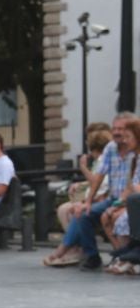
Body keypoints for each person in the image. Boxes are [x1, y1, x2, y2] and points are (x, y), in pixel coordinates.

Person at [46, 115, 136, 269]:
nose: (116, 132)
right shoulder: (111, 148)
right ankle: (92, 256)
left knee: (109, 216)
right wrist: (87, 202)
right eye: (114, 128)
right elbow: (99, 177)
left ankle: (123, 258)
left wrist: (117, 204)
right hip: (113, 198)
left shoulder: (135, 152)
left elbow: (132, 185)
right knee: (83, 214)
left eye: (121, 129)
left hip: (130, 200)